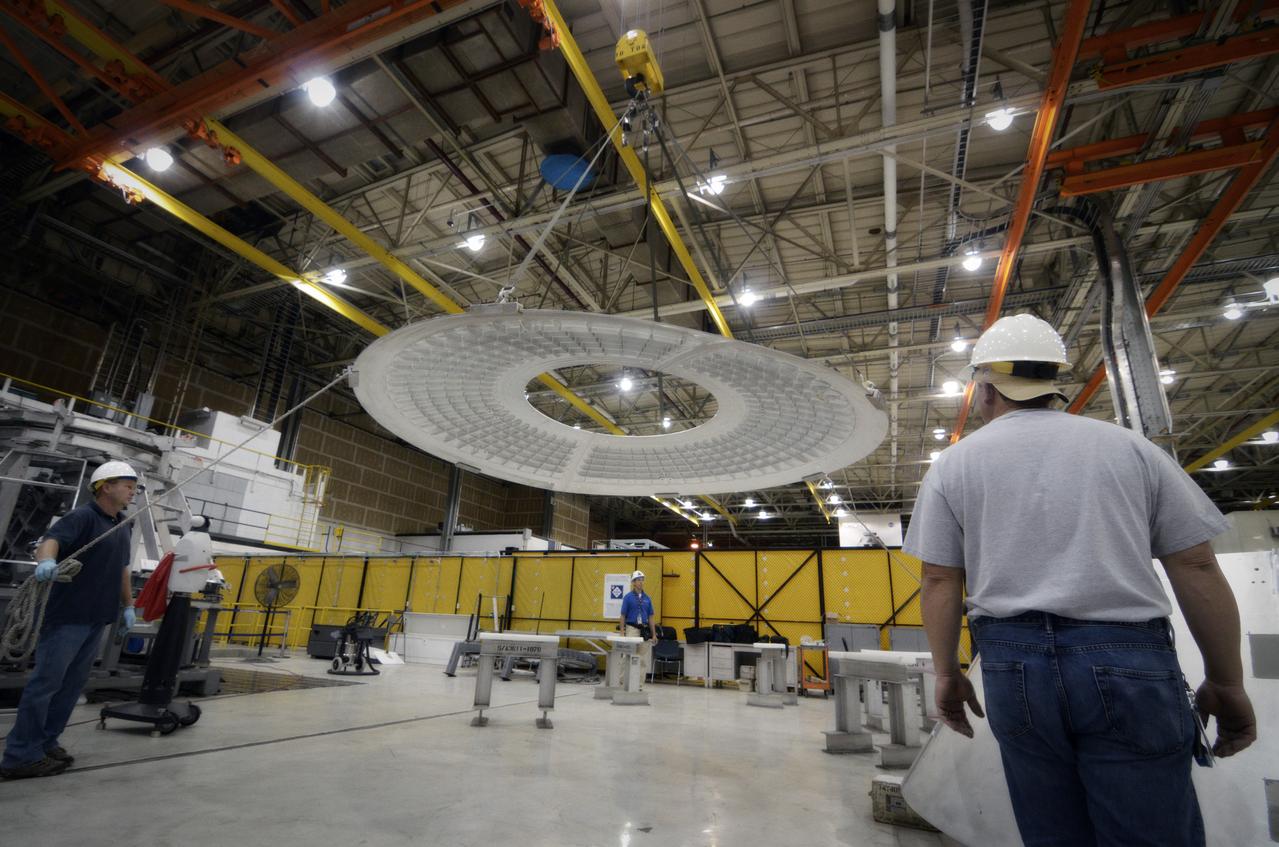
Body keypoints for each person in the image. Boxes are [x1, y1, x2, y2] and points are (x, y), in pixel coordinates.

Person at [904, 314, 1256, 847]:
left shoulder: (954, 466)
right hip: (1128, 661)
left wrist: (947, 672)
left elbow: (938, 580)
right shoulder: (1131, 450)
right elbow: (1196, 566)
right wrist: (1226, 682)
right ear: (1051, 381)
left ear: (985, 387)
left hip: (1013, 665)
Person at [1, 460, 139, 780]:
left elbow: (122, 570)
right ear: (106, 486)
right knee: (46, 685)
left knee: (70, 688)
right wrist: (47, 562)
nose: (133, 491)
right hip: (67, 617)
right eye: (128, 484)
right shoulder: (83, 517)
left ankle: (46, 744)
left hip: (96, 619)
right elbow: (51, 541)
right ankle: (20, 755)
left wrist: (128, 606)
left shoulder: (123, 524)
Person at [618, 570, 657, 677]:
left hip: (644, 630)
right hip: (632, 629)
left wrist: (653, 634)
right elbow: (623, 615)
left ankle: (639, 685)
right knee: (628, 655)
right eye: (638, 580)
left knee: (642, 659)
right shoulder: (628, 597)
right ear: (633, 582)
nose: (641, 582)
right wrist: (622, 632)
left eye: (642, 580)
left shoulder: (647, 599)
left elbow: (651, 617)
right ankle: (621, 681)